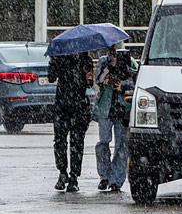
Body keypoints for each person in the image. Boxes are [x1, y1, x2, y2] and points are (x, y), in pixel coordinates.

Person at [48, 48, 93, 192]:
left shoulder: (86, 60)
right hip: (62, 106)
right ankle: (62, 172)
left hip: (79, 107)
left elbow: (89, 83)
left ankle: (74, 177)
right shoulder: (61, 58)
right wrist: (52, 62)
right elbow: (51, 77)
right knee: (60, 141)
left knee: (77, 142)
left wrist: (88, 76)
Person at [93, 46, 135, 192]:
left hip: (123, 108)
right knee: (103, 141)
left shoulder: (130, 62)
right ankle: (104, 175)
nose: (113, 53)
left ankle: (116, 180)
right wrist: (110, 67)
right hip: (105, 108)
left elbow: (135, 81)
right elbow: (98, 79)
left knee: (121, 145)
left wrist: (122, 86)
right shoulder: (103, 62)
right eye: (110, 51)